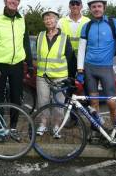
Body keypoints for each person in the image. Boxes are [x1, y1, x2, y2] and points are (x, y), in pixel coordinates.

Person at [77, 0, 116, 127]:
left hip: (106, 68)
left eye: (99, 6)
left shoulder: (114, 23)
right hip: (89, 68)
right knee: (93, 102)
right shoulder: (86, 26)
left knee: (111, 101)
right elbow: (81, 50)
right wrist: (80, 70)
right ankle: (97, 128)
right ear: (90, 9)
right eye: (93, 7)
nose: (96, 9)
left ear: (104, 7)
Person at [0, 0, 33, 141]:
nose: (14, 1)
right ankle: (0, 129)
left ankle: (12, 128)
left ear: (19, 2)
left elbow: (25, 43)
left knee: (16, 98)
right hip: (0, 65)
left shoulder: (21, 19)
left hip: (17, 65)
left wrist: (30, 63)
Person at [36, 10, 73, 139]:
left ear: (56, 21)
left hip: (59, 76)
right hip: (42, 76)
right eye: (46, 18)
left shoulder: (64, 37)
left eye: (51, 18)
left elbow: (69, 56)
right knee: (43, 102)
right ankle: (43, 124)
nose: (48, 20)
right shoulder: (40, 35)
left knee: (59, 104)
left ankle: (57, 126)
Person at [58, 0, 90, 77]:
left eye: (77, 4)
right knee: (69, 84)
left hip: (84, 58)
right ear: (69, 6)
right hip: (67, 59)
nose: (75, 6)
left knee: (85, 84)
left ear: (81, 6)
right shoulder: (61, 22)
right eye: (72, 4)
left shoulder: (88, 21)